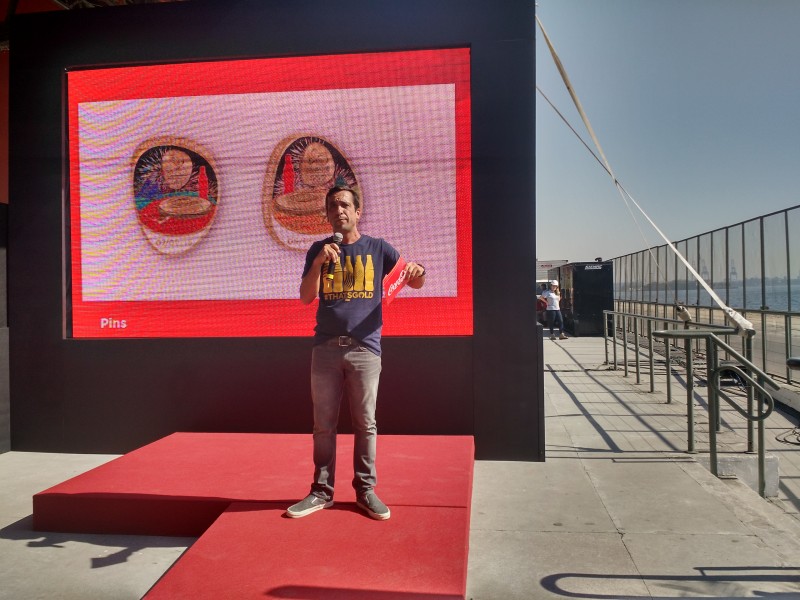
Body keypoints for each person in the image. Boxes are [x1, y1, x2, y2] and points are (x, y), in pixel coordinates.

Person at [287, 186, 426, 520]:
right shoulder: (319, 249)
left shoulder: (378, 248)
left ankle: (365, 490)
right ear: (327, 214)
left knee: (366, 424)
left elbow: (414, 280)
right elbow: (306, 297)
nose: (339, 210)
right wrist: (320, 260)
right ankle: (321, 492)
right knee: (323, 425)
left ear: (358, 211)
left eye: (345, 205)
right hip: (325, 349)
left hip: (365, 349)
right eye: (333, 206)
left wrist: (418, 272)